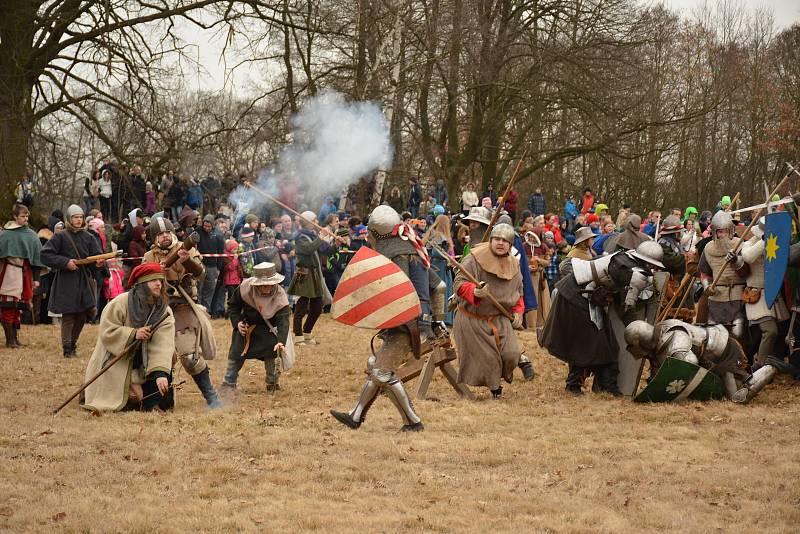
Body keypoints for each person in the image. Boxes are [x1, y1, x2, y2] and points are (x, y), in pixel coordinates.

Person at [330, 205, 433, 432]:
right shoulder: (414, 248)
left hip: (407, 323)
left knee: (381, 371)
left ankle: (413, 422)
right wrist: (436, 322)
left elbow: (393, 291)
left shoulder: (394, 254)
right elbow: (439, 285)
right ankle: (355, 416)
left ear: (376, 232)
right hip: (413, 321)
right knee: (378, 368)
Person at [541, 240, 665, 395]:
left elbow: (620, 300)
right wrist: (638, 329)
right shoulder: (633, 273)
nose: (652, 269)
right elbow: (626, 307)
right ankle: (575, 385)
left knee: (608, 344)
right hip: (575, 297)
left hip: (580, 295)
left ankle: (606, 386)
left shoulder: (625, 257)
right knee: (588, 344)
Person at [142, 217, 222, 409]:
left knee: (189, 357)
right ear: (155, 238)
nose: (164, 237)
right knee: (162, 357)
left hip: (184, 306)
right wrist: (154, 272)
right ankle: (164, 402)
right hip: (159, 309)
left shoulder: (186, 248)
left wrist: (187, 262)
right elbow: (141, 284)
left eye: (167, 233)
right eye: (160, 235)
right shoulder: (148, 256)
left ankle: (212, 397)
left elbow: (201, 274)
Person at [82, 263, 175, 412]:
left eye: (161, 281)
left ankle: (149, 399)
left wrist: (161, 374)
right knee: (131, 398)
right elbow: (107, 331)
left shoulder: (165, 311)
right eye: (154, 281)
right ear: (142, 284)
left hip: (146, 363)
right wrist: (133, 333)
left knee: (161, 402)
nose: (159, 284)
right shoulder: (120, 303)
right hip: (117, 358)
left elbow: (163, 345)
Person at [624, 319, 777, 403]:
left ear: (642, 342)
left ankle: (772, 365)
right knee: (722, 396)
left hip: (724, 351)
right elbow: (661, 372)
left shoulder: (675, 339)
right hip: (708, 359)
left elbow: (690, 366)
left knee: (738, 398)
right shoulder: (658, 339)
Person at [453, 223, 524, 397]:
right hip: (474, 318)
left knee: (512, 354)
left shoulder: (514, 264)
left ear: (510, 245)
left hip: (500, 318)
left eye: (505, 241)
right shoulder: (473, 258)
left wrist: (518, 312)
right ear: (491, 240)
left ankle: (501, 375)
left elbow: (518, 292)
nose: (500, 243)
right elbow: (459, 283)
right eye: (497, 239)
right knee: (489, 359)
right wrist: (474, 291)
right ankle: (495, 390)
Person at [41, 205, 104, 357]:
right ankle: (67, 348)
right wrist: (65, 262)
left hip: (83, 280)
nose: (78, 220)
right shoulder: (60, 237)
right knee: (69, 315)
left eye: (80, 217)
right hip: (66, 281)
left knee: (82, 315)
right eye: (75, 217)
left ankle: (73, 343)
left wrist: (98, 263)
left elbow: (96, 256)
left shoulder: (88, 237)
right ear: (69, 219)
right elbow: (45, 255)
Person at [222, 262, 290, 394]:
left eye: (269, 284)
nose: (266, 288)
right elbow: (233, 306)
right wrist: (237, 323)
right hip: (247, 327)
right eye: (262, 284)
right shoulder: (244, 289)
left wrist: (281, 341)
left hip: (268, 329)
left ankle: (273, 383)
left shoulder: (280, 296)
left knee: (272, 352)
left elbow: (283, 321)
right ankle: (228, 383)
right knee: (236, 354)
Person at [740, 217, 789, 369]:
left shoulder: (774, 242)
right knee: (770, 331)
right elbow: (748, 257)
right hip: (757, 296)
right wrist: (764, 240)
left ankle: (775, 362)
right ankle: (759, 366)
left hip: (774, 294)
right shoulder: (748, 243)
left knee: (784, 330)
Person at [698, 210, 747, 340]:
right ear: (714, 232)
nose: (723, 234)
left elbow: (746, 272)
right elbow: (704, 273)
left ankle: (740, 360)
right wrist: (707, 286)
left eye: (726, 231)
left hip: (737, 296)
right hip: (716, 298)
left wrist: (736, 261)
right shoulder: (708, 248)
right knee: (715, 336)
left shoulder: (741, 245)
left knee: (738, 334)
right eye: (720, 231)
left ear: (731, 231)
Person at [0, 204, 43, 347]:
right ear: (15, 216)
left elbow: (36, 259)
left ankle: (15, 338)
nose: (26, 218)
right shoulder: (4, 234)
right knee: (8, 306)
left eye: (27, 216)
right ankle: (9, 340)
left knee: (18, 307)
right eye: (23, 216)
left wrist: (36, 278)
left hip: (25, 274)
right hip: (9, 273)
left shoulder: (31, 235)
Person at [288, 211, 333, 346]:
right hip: (304, 274)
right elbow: (308, 249)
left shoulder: (312, 235)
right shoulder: (300, 237)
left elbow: (325, 250)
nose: (317, 222)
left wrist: (335, 242)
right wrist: (321, 237)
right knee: (301, 307)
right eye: (314, 220)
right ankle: (298, 336)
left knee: (317, 307)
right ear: (308, 222)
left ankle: (307, 333)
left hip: (314, 274)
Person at [197, 214, 224, 311]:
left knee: (210, 289)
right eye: (205, 226)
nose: (206, 228)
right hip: (200, 265)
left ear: (213, 225)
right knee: (199, 288)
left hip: (213, 267)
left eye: (209, 226)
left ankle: (206, 310)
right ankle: (198, 310)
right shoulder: (198, 231)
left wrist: (218, 268)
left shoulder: (218, 234)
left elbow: (221, 253)